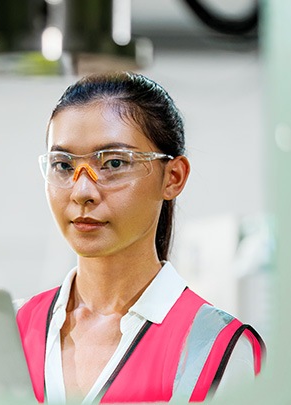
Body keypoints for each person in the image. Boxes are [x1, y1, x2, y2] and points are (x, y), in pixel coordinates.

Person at [16, 72, 265, 404]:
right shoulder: (10, 332)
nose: (82, 191)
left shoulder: (221, 349)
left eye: (114, 163)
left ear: (172, 177)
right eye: (62, 165)